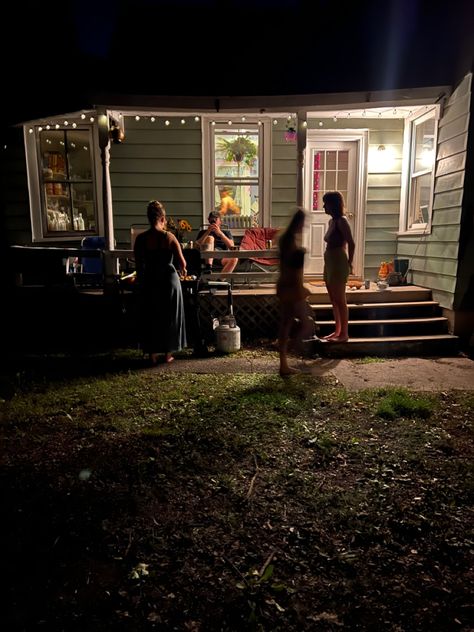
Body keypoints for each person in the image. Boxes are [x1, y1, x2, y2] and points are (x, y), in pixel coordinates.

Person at [134, 200, 187, 365]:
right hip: (169, 280)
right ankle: (168, 353)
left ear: (149, 219)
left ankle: (152, 354)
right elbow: (182, 263)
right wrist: (182, 270)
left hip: (150, 280)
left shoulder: (141, 239)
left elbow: (138, 264)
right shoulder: (169, 237)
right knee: (170, 316)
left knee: (151, 315)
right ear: (163, 218)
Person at [276, 208, 314, 376]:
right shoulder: (289, 241)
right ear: (298, 222)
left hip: (288, 286)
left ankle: (285, 361)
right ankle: (289, 354)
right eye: (303, 223)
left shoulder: (287, 239)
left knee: (288, 323)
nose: (304, 227)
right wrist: (300, 288)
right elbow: (291, 268)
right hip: (290, 287)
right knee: (304, 323)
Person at [322, 191, 355, 343]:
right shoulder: (331, 222)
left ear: (333, 205)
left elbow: (351, 243)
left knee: (340, 299)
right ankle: (337, 331)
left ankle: (344, 334)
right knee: (333, 299)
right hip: (329, 261)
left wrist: (350, 263)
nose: (323, 206)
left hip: (338, 261)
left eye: (326, 203)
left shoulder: (342, 221)